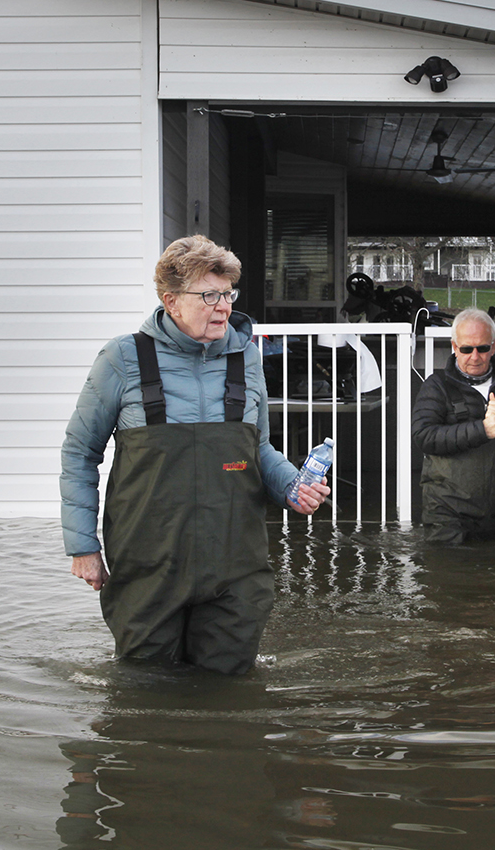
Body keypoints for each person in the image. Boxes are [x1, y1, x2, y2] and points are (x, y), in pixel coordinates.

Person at [60, 235, 329, 674]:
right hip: (148, 567)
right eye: (209, 295)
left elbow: (256, 447)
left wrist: (291, 487)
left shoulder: (247, 358)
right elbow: (79, 452)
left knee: (230, 688)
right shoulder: (122, 359)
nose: (223, 306)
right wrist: (83, 546)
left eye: (227, 294)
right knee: (144, 688)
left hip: (235, 567)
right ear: (171, 301)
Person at [411, 308, 495, 543]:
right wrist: (483, 430)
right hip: (447, 517)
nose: (475, 356)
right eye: (466, 349)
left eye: (482, 348)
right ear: (454, 347)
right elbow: (424, 436)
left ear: (493, 347)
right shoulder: (437, 386)